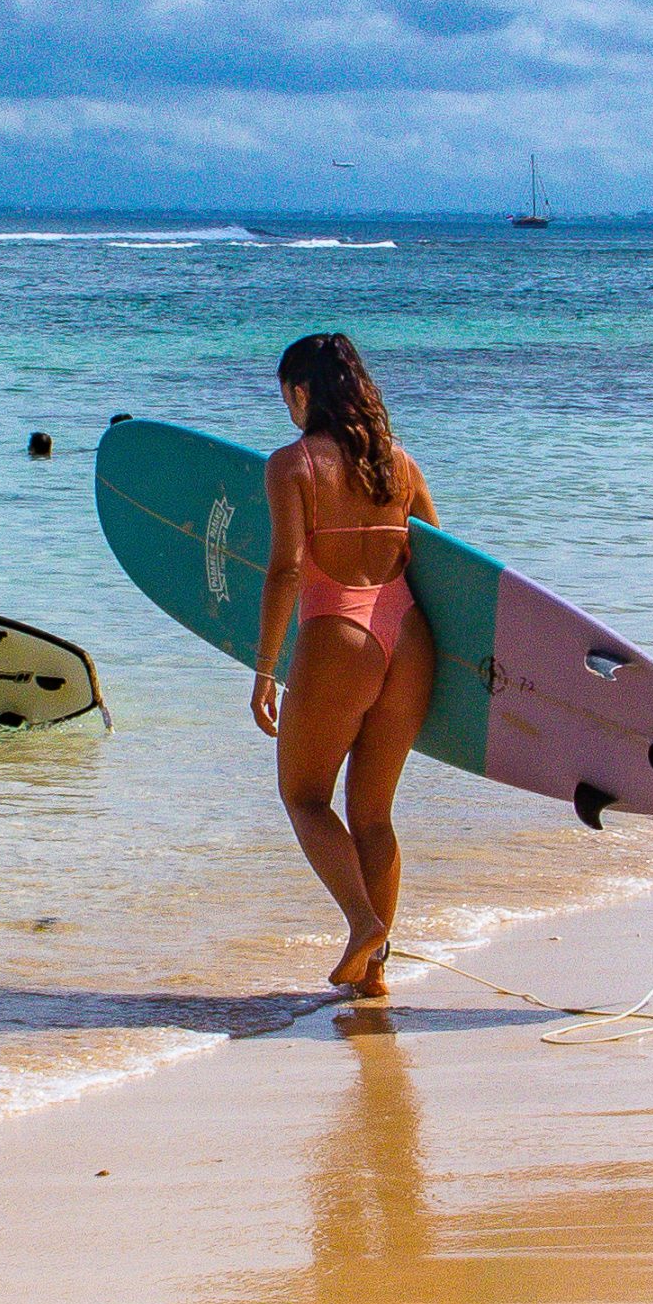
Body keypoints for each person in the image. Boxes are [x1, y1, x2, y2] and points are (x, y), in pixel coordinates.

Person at [253, 332, 439, 1001]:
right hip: (410, 639)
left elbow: (285, 571)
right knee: (375, 816)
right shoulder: (402, 465)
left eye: (286, 397)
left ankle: (363, 923)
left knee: (304, 798)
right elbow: (442, 563)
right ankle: (374, 975)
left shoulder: (292, 465)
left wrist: (264, 670)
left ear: (302, 392)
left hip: (339, 636)